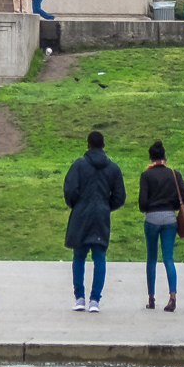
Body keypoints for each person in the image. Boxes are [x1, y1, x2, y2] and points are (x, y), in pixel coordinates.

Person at [63, 129, 125, 311]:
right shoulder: (113, 168)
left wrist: (77, 205)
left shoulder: (78, 165)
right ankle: (95, 300)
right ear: (103, 146)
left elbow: (70, 190)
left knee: (79, 256)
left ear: (88, 144)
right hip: (101, 216)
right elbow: (120, 196)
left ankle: (79, 298)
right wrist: (106, 206)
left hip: (81, 215)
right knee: (99, 257)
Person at [138, 140, 184, 312]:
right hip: (169, 219)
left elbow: (142, 204)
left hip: (152, 218)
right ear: (164, 158)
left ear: (151, 158)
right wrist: (172, 204)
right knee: (168, 258)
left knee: (151, 258)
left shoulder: (146, 176)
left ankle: (151, 298)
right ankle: (172, 296)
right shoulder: (174, 174)